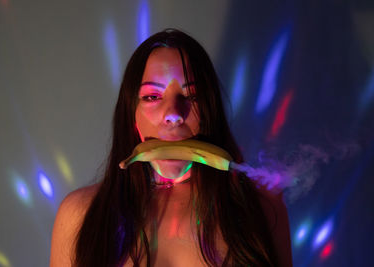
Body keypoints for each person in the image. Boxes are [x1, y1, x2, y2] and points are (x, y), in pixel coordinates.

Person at [50, 29, 292, 267]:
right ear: (131, 114)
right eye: (152, 97)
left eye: (192, 95)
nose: (173, 114)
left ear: (209, 111)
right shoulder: (80, 214)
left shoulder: (262, 206)